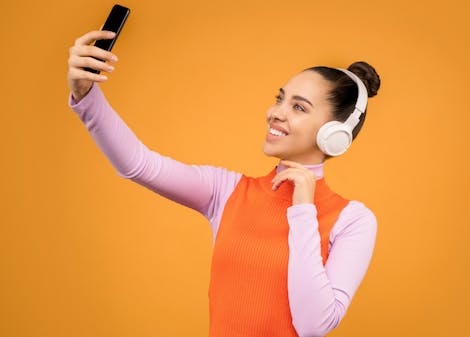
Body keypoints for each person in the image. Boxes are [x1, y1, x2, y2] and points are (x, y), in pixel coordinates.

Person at [67, 29, 381, 337]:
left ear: (334, 134)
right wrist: (86, 96)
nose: (275, 113)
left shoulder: (353, 221)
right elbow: (139, 164)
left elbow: (313, 325)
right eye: (280, 99)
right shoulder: (227, 191)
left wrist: (302, 212)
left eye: (298, 107)